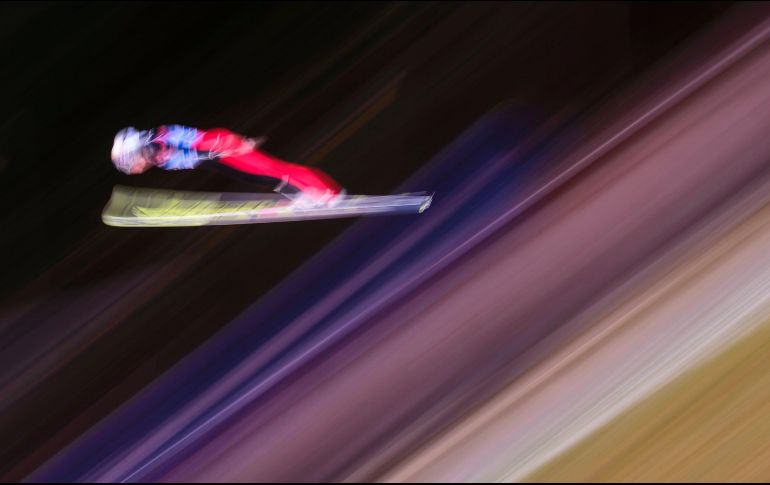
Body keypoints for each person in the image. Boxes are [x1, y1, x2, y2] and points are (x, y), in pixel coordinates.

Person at [110, 125, 344, 207]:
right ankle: (304, 194)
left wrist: (232, 144)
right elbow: (192, 159)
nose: (133, 169)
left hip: (218, 147)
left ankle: (328, 193)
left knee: (273, 169)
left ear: (132, 151)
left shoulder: (156, 140)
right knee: (257, 178)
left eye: (129, 163)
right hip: (214, 158)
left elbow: (194, 140)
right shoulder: (155, 156)